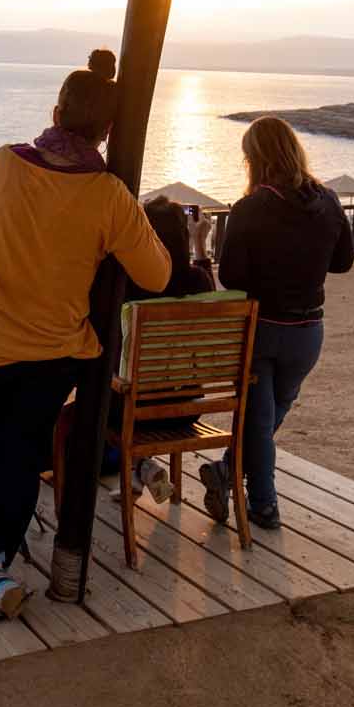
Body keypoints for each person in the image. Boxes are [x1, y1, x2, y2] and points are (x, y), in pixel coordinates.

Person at [0, 49, 171, 620]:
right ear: (108, 131)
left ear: (56, 111)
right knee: (18, 460)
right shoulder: (110, 197)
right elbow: (158, 275)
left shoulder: (5, 164)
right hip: (48, 355)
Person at [198, 116, 354, 531]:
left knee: (259, 422)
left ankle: (264, 507)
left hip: (262, 330)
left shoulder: (250, 208)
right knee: (264, 420)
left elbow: (231, 276)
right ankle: (227, 473)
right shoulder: (330, 200)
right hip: (308, 334)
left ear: (256, 160)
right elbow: (343, 263)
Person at [119, 196, 220, 501]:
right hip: (185, 410)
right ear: (183, 234)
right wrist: (200, 244)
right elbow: (211, 296)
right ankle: (143, 468)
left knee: (87, 408)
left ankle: (143, 466)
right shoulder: (198, 281)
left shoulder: (129, 282)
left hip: (134, 412)